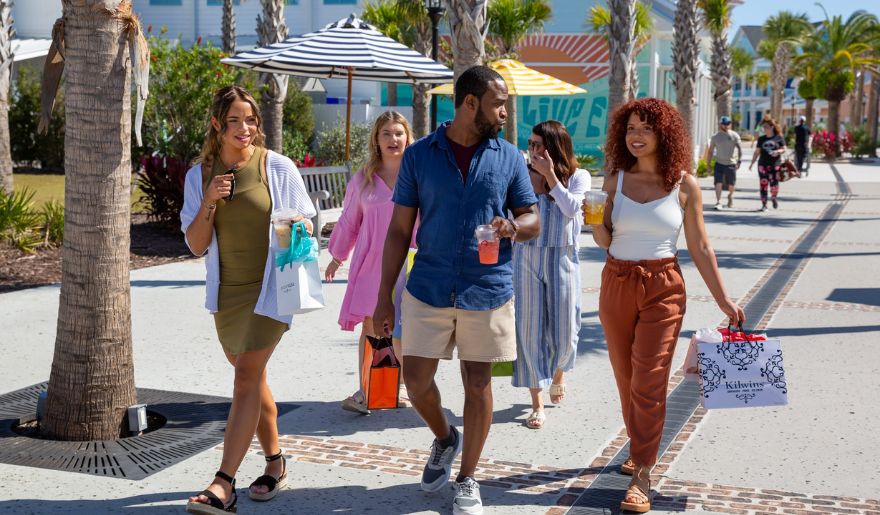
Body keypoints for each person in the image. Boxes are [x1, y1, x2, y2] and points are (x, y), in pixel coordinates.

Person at [372, 65, 540, 515]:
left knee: (478, 383)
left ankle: (468, 477)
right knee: (416, 379)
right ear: (470, 104)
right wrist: (383, 294)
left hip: (487, 288)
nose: (504, 112)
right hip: (427, 284)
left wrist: (513, 226)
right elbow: (398, 231)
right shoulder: (420, 155)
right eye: (497, 103)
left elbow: (533, 217)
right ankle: (446, 438)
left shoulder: (507, 156)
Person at [588, 98, 744, 513]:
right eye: (630, 128)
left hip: (663, 286)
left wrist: (724, 299)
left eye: (645, 128)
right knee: (626, 376)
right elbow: (602, 242)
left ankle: (643, 471)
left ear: (664, 135)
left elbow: (702, 246)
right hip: (617, 281)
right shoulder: (613, 180)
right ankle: (639, 444)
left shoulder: (684, 184)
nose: (636, 135)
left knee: (650, 378)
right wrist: (594, 220)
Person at [181, 85, 316, 513]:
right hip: (226, 296)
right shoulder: (198, 175)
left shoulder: (277, 167)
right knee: (251, 380)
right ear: (218, 124)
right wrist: (209, 200)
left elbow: (307, 225)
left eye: (251, 120)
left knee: (244, 379)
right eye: (236, 120)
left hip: (271, 291)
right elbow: (196, 245)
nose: (246, 128)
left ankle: (223, 484)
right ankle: (275, 463)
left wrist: (300, 229)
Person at [325, 111, 414, 414]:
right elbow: (350, 221)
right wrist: (337, 257)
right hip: (370, 264)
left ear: (407, 137)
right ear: (376, 139)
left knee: (401, 328)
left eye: (398, 133)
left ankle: (395, 389)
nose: (393, 139)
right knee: (371, 325)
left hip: (409, 263)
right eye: (386, 133)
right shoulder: (363, 179)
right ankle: (366, 391)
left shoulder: (417, 176)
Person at [513, 120, 590, 429]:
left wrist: (549, 176)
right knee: (528, 330)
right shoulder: (521, 173)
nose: (532, 151)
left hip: (562, 257)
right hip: (526, 256)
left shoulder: (578, 177)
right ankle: (537, 402)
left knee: (567, 334)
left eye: (537, 145)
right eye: (530, 145)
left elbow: (572, 209)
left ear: (554, 147)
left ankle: (559, 373)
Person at [749, 117, 787, 211]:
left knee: (774, 184)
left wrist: (777, 151)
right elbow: (757, 152)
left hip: (775, 164)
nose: (764, 129)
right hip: (763, 164)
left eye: (766, 127)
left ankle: (774, 197)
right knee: (763, 184)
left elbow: (784, 149)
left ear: (772, 127)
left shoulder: (779, 138)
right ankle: (764, 205)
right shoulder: (761, 139)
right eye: (763, 127)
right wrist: (752, 163)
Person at [704, 115, 742, 210]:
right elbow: (710, 151)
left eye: (728, 123)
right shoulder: (715, 137)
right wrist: (708, 164)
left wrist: (739, 161)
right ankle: (718, 202)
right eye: (724, 124)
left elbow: (740, 149)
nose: (726, 125)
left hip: (731, 163)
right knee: (718, 183)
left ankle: (730, 196)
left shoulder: (734, 135)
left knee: (732, 184)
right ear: (720, 124)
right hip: (719, 163)